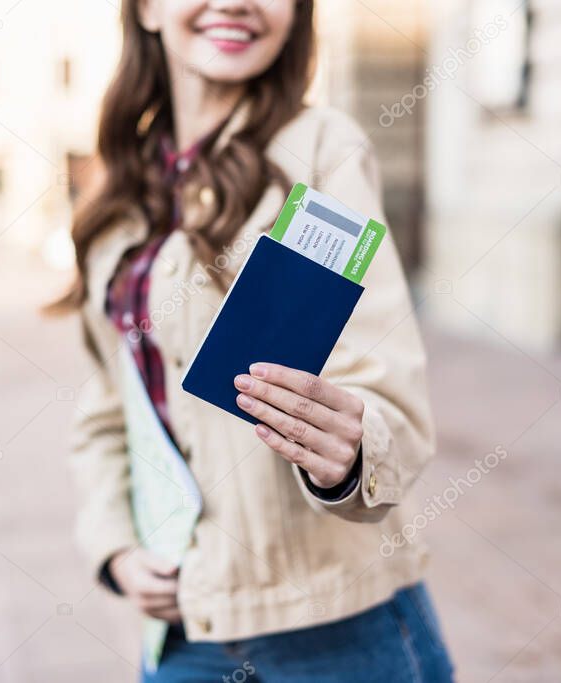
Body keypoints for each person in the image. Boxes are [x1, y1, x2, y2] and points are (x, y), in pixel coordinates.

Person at [54, 1, 455, 680]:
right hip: (182, 629)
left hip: (335, 631)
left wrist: (350, 451)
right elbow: (105, 410)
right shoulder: (118, 196)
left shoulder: (322, 150)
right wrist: (115, 547)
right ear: (147, 9)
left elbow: (385, 385)